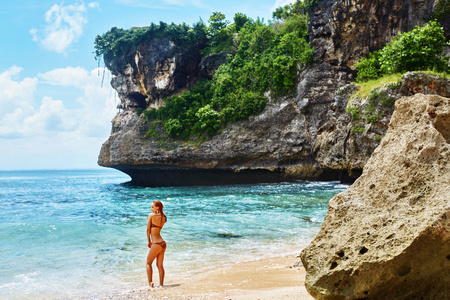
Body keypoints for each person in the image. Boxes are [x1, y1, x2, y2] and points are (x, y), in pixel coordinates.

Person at [146, 200, 167, 288]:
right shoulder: (164, 216)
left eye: (153, 207)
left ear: (157, 207)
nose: (151, 208)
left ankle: (150, 283)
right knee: (160, 265)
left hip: (156, 243)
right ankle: (161, 284)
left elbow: (148, 230)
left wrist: (149, 241)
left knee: (148, 263)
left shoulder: (151, 215)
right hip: (163, 243)